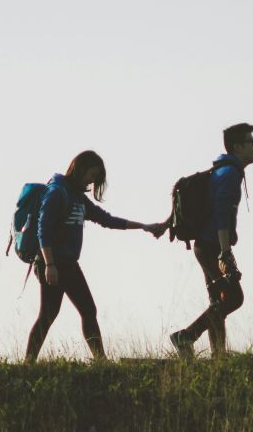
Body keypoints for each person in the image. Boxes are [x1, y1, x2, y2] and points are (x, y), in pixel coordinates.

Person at [27, 150, 163, 362]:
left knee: (88, 310)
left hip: (69, 264)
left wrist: (143, 226)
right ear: (80, 170)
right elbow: (42, 229)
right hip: (52, 263)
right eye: (91, 175)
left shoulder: (78, 198)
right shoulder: (57, 192)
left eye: (95, 178)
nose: (92, 182)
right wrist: (49, 264)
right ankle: (29, 363)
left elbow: (106, 220)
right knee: (48, 315)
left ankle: (101, 360)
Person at [170, 123, 253, 360]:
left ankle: (218, 356)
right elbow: (221, 213)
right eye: (251, 142)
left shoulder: (225, 170)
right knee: (233, 298)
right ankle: (185, 336)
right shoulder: (229, 174)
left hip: (207, 245)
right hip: (212, 246)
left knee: (218, 300)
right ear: (238, 147)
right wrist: (224, 253)